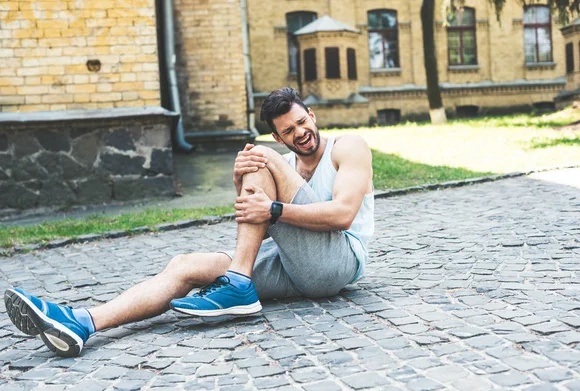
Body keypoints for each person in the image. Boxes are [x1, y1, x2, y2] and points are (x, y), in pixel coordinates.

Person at [4, 87, 374, 357]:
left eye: (301, 121)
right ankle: (81, 322)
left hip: (338, 263)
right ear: (279, 135)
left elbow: (342, 215)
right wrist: (243, 186)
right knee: (185, 266)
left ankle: (239, 286)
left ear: (312, 115)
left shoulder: (347, 147)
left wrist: (273, 209)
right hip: (294, 264)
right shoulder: (288, 165)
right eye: (288, 131)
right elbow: (260, 218)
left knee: (259, 158)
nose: (300, 133)